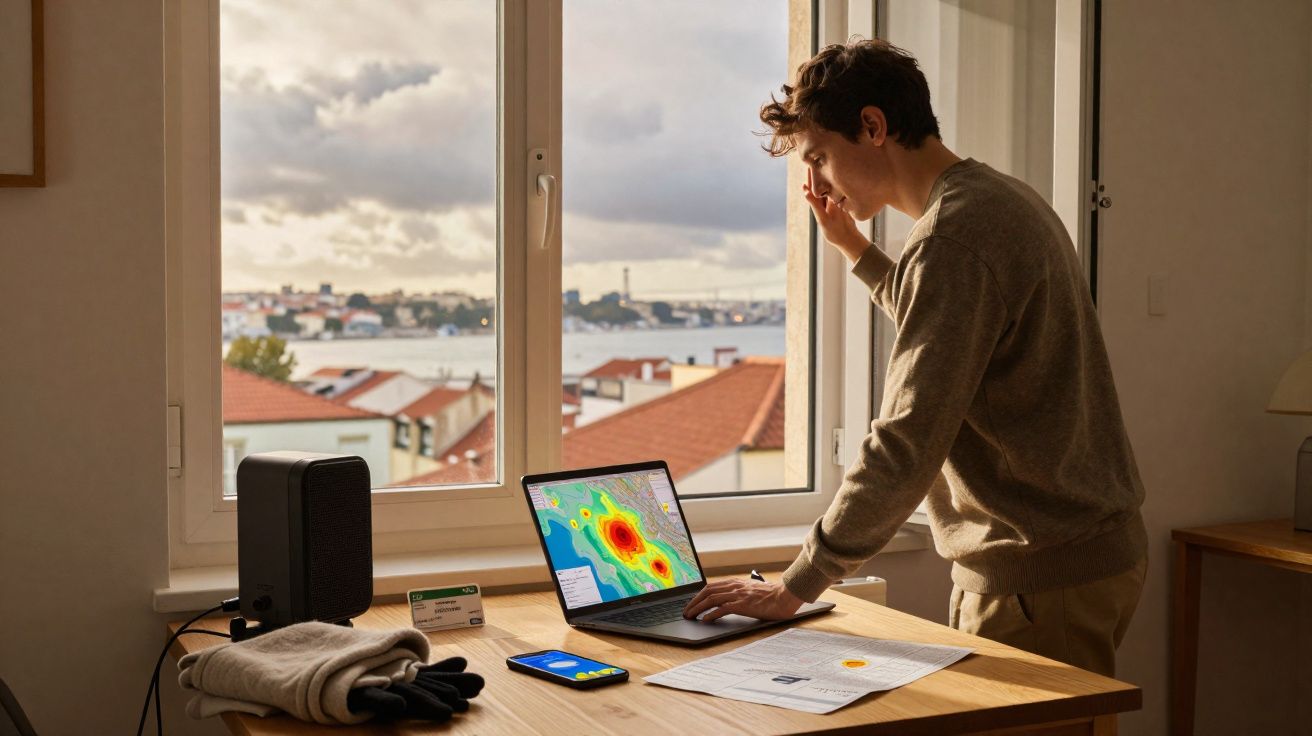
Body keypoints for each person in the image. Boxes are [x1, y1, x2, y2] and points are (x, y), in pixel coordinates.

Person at [682, 38, 1147, 678]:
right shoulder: (996, 199)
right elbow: (958, 329)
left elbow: (908, 437)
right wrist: (856, 250)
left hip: (1039, 575)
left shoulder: (953, 236)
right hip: (1079, 556)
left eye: (818, 157)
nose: (816, 181)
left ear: (872, 126)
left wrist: (797, 585)